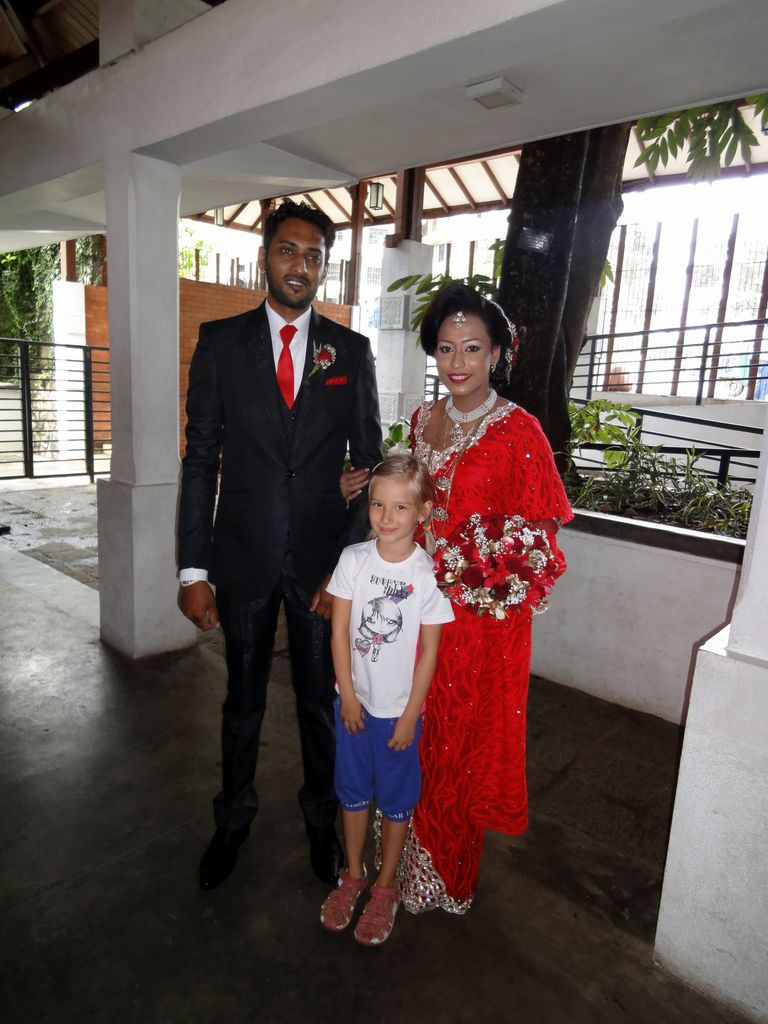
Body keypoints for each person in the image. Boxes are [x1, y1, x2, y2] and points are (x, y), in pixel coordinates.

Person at [342, 283, 572, 912]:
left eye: (473, 348)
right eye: (446, 348)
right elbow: (407, 506)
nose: (458, 362)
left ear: (496, 353)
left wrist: (490, 573)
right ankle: (393, 863)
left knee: (455, 742)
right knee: (407, 730)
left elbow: (541, 536)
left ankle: (442, 875)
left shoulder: (521, 431)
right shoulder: (423, 420)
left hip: (475, 624)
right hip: (413, 608)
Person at [178, 199, 382, 892]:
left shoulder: (349, 351)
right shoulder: (220, 343)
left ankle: (321, 820)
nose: (300, 266)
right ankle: (232, 820)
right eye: (288, 250)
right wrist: (193, 570)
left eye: (314, 256)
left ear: (325, 267)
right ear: (265, 256)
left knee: (320, 704)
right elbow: (200, 459)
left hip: (323, 567)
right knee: (242, 703)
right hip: (243, 559)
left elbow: (371, 464)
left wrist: (346, 567)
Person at [320, 454, 454, 945]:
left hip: (399, 714)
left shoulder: (428, 574)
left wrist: (409, 716)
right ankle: (352, 875)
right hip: (353, 707)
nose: (386, 516)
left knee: (396, 801)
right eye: (378, 504)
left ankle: (385, 887)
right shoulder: (354, 560)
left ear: (423, 511)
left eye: (400, 507)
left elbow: (429, 653)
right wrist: (348, 696)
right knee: (352, 791)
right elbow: (339, 633)